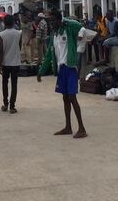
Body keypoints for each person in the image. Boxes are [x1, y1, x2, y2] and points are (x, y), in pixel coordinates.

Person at [37, 10, 87, 138]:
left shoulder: (68, 29)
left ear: (60, 20)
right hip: (61, 69)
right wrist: (41, 71)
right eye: (50, 21)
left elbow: (80, 26)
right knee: (65, 98)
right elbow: (49, 54)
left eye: (54, 20)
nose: (52, 23)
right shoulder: (54, 34)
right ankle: (68, 127)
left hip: (70, 67)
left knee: (72, 97)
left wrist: (65, 20)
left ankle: (82, 128)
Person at [0, 15, 22, 114]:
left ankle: (5, 104)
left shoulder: (1, 34)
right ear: (13, 22)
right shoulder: (19, 33)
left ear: (4, 23)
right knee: (14, 84)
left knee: (4, 83)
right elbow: (19, 46)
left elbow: (0, 50)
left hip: (5, 62)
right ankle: (12, 106)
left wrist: (0, 64)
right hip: (15, 62)